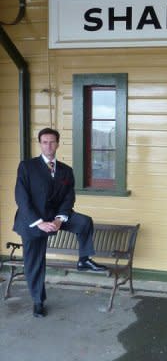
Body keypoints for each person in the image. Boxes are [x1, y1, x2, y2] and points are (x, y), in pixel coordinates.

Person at [13, 127, 107, 318]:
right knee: (35, 263)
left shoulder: (66, 170)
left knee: (83, 222)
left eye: (52, 141)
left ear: (57, 143)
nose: (49, 145)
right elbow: (22, 198)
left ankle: (84, 259)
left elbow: (68, 198)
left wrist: (58, 219)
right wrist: (39, 222)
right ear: (40, 144)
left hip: (55, 217)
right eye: (45, 142)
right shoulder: (27, 167)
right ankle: (38, 302)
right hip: (32, 222)